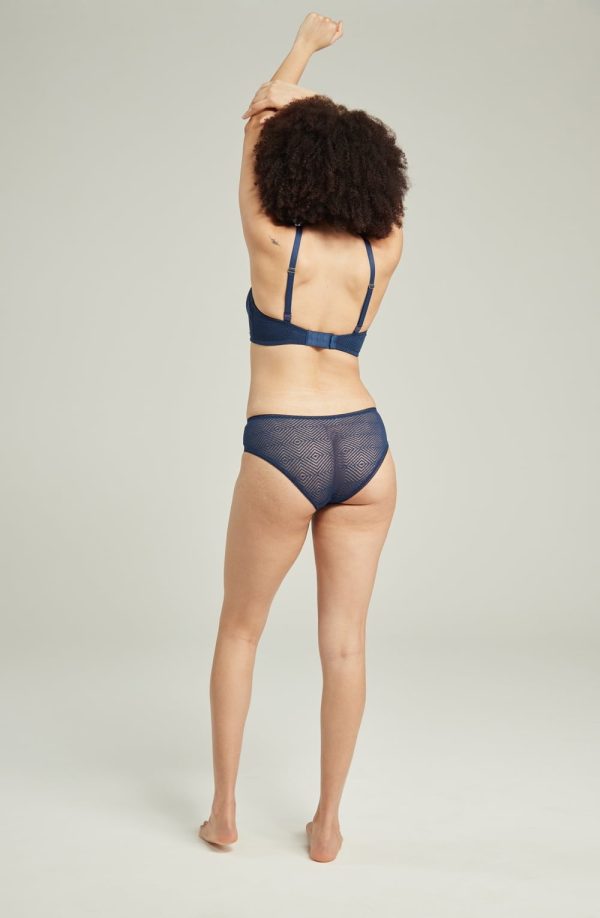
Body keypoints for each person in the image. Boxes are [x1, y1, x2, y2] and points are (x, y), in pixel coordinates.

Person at [199, 12, 410, 863]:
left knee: (240, 630)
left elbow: (258, 115)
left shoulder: (269, 239)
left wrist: (301, 54)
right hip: (366, 446)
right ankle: (327, 825)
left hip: (284, 443)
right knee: (347, 644)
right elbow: (377, 194)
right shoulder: (385, 247)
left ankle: (224, 814)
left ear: (292, 167)